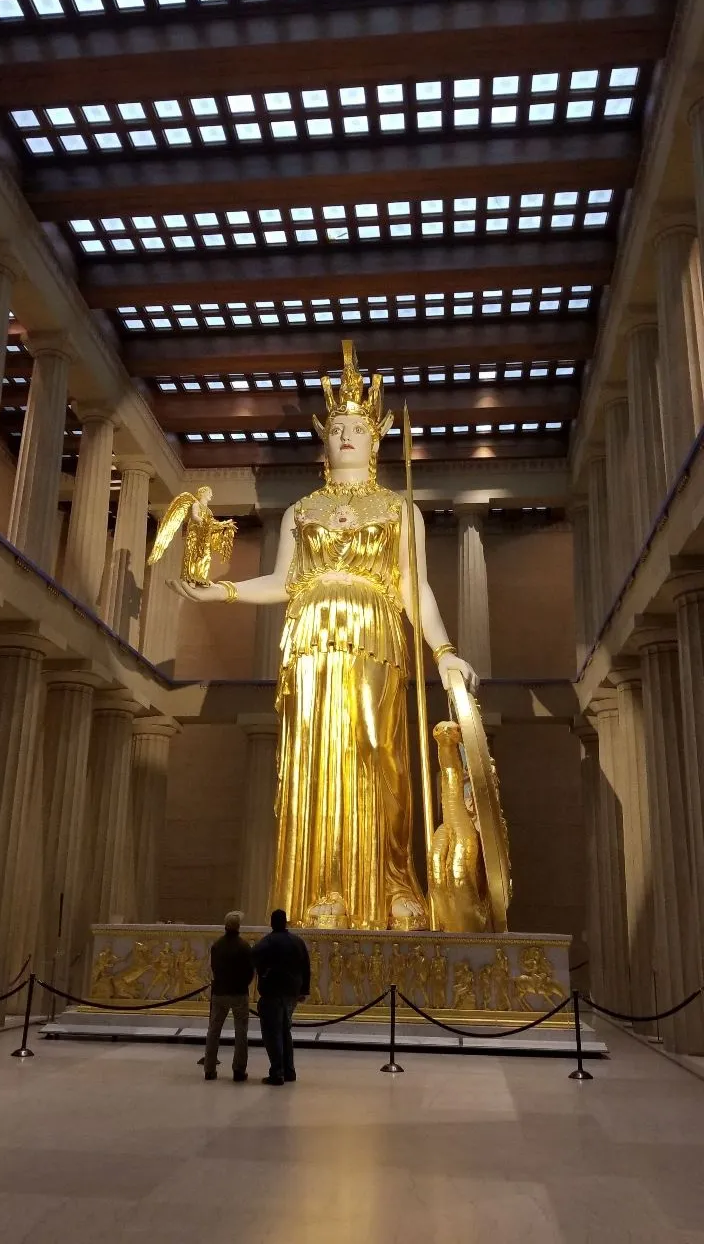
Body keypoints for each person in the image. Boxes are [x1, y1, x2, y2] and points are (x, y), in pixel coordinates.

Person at [171, 341, 477, 931]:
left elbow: (415, 587)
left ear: (375, 436)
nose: (345, 435)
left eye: (356, 427)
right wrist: (222, 592)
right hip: (311, 643)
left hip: (375, 638)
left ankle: (392, 887)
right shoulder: (301, 511)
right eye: (336, 426)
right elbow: (284, 581)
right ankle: (328, 890)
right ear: (325, 437)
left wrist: (443, 651)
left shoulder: (397, 507)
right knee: (320, 759)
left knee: (376, 751)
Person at [253, 910, 310, 1085]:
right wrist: (303, 990)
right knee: (285, 1031)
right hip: (291, 992)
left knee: (272, 1032)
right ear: (285, 922)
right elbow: (306, 966)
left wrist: (263, 974)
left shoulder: (268, 941)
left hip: (273, 991)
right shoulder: (297, 941)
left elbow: (253, 956)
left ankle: (277, 1072)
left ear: (272, 923)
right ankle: (289, 1070)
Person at [203, 911, 254, 1082]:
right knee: (241, 1032)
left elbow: (214, 967)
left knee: (214, 1031)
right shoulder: (244, 946)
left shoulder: (217, 945)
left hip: (220, 992)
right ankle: (239, 1070)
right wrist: (242, 984)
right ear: (238, 927)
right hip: (239, 992)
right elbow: (249, 972)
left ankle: (209, 1069)